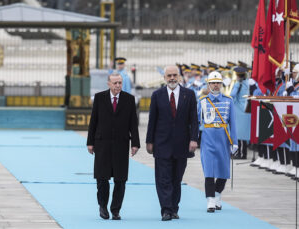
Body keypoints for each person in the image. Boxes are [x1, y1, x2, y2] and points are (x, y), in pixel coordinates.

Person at [146, 65, 198, 221]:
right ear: (164, 78)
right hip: (162, 144)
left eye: (175, 75)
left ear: (180, 77)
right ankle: (166, 210)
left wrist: (194, 139)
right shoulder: (157, 95)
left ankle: (174, 208)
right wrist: (149, 141)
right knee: (163, 179)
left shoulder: (189, 95)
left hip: (182, 144)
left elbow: (194, 120)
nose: (172, 78)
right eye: (169, 75)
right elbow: (152, 120)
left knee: (176, 178)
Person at [87, 73, 140, 220]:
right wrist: (90, 142)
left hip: (121, 144)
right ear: (108, 84)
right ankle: (103, 206)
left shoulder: (129, 99)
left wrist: (135, 143)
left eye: (120, 83)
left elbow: (133, 124)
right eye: (115, 83)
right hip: (102, 143)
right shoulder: (99, 98)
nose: (118, 86)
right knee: (102, 178)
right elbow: (94, 122)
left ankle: (115, 209)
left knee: (120, 179)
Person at [197, 71, 238, 213]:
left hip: (223, 138)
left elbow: (232, 122)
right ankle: (210, 200)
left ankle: (217, 195)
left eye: (218, 83)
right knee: (209, 170)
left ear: (221, 84)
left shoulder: (228, 101)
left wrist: (235, 142)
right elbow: (197, 122)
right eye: (213, 83)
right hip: (207, 138)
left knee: (223, 170)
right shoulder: (202, 101)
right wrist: (194, 139)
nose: (215, 85)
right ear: (208, 84)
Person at [230, 66, 251, 159]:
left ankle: (239, 154)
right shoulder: (248, 83)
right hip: (246, 109)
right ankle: (244, 154)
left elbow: (232, 95)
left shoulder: (238, 84)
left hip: (238, 110)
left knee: (238, 134)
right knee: (244, 134)